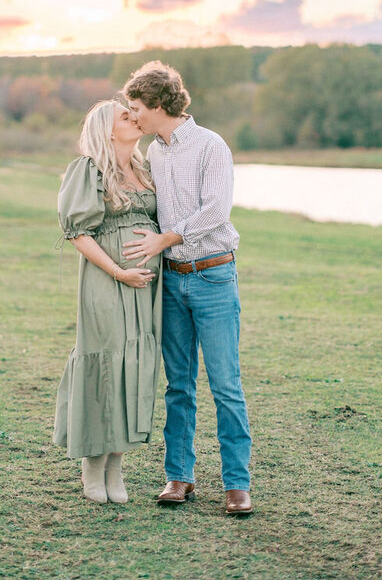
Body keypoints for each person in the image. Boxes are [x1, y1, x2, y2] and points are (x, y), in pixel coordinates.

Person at [122, 60, 254, 516]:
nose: (132, 114)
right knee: (179, 386)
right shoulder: (154, 153)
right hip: (172, 283)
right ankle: (179, 477)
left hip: (214, 277)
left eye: (136, 106)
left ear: (159, 103)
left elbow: (217, 209)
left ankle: (237, 484)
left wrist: (167, 238)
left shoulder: (210, 145)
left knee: (225, 384)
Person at [53, 99, 163, 504]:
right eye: (125, 115)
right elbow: (78, 234)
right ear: (106, 128)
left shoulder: (145, 169)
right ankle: (92, 468)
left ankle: (116, 466)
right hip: (107, 281)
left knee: (133, 368)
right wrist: (118, 271)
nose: (134, 118)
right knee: (104, 364)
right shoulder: (89, 169)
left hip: (147, 287)